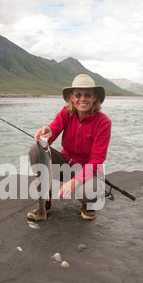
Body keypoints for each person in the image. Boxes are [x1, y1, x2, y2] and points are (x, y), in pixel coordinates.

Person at [27, 74, 111, 220]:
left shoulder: (104, 122)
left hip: (87, 168)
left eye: (87, 94)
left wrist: (75, 182)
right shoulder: (66, 112)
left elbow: (97, 159)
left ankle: (87, 204)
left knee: (90, 192)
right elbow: (52, 132)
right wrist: (47, 133)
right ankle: (44, 203)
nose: (82, 99)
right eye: (78, 94)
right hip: (65, 163)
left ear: (95, 97)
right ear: (72, 97)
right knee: (37, 149)